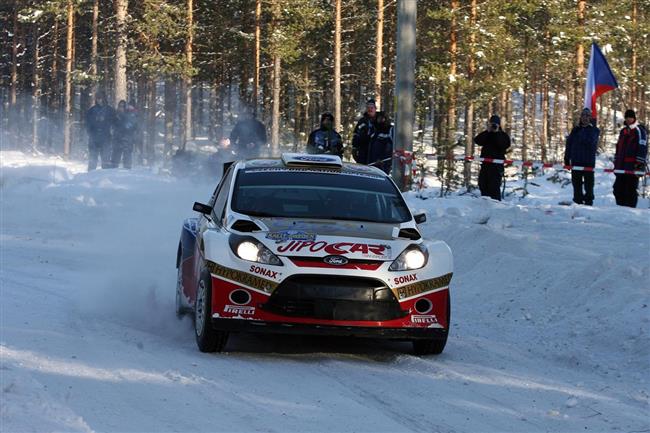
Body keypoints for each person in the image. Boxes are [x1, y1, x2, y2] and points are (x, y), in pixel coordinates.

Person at [564, 108, 600, 205]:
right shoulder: (575, 130)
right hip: (576, 161)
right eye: (583, 116)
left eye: (587, 116)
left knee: (589, 186)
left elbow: (590, 142)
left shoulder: (594, 130)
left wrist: (585, 129)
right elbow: (569, 144)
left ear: (590, 118)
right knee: (576, 185)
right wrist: (567, 158)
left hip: (588, 162)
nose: (585, 118)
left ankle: (588, 203)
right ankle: (577, 202)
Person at [613, 109, 647, 208]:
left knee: (630, 190)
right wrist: (616, 162)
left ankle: (630, 210)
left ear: (634, 118)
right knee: (617, 189)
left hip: (632, 167)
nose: (628, 119)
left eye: (630, 117)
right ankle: (620, 208)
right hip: (621, 166)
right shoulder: (623, 131)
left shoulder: (639, 130)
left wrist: (639, 164)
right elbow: (618, 147)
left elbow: (642, 146)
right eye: (627, 117)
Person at [473, 115, 511, 201]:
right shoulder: (487, 134)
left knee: (494, 187)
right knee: (482, 184)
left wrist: (497, 132)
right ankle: (485, 203)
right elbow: (477, 140)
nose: (493, 126)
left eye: (495, 124)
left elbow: (504, 145)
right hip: (485, 164)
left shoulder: (503, 135)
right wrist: (487, 131)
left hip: (496, 166)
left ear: (499, 125)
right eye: (492, 124)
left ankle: (496, 205)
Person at [85, 91, 116, 170]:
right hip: (94, 138)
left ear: (104, 98)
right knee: (92, 160)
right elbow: (87, 123)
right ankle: (89, 178)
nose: (99, 100)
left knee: (105, 161)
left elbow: (114, 122)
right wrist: (91, 130)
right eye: (97, 98)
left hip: (105, 138)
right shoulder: (91, 110)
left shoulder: (110, 110)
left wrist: (105, 120)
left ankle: (106, 179)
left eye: (100, 98)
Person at [111, 100, 138, 169]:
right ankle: (113, 169)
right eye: (120, 106)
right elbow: (113, 125)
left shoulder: (130, 114)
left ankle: (127, 170)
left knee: (127, 155)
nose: (121, 108)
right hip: (117, 138)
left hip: (127, 138)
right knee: (116, 155)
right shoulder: (116, 115)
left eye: (123, 106)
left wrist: (128, 127)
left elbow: (134, 125)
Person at [351, 98, 378, 164]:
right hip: (363, 151)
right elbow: (356, 134)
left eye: (372, 108)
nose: (370, 109)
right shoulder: (362, 121)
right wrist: (354, 148)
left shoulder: (379, 121)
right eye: (368, 108)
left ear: (375, 109)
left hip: (376, 152)